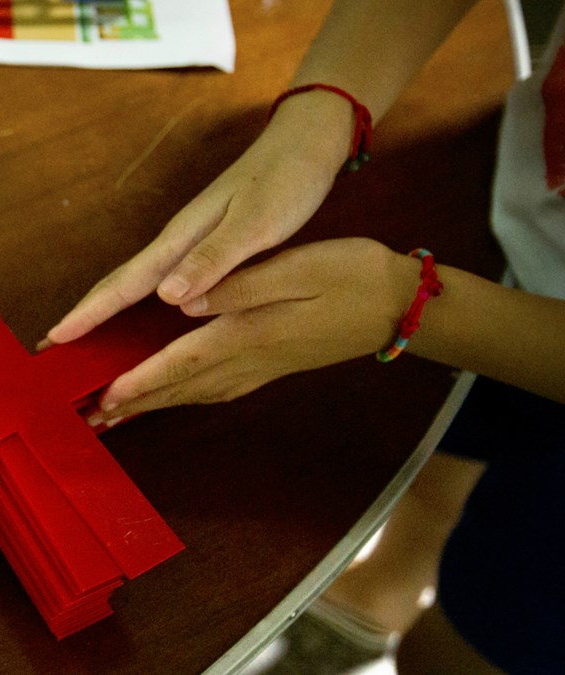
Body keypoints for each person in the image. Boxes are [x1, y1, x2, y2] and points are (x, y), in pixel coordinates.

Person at [40, 0, 565, 671]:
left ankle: (417, 611)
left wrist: (405, 306)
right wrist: (319, 119)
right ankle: (390, 580)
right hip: (525, 239)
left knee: (464, 649)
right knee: (448, 446)